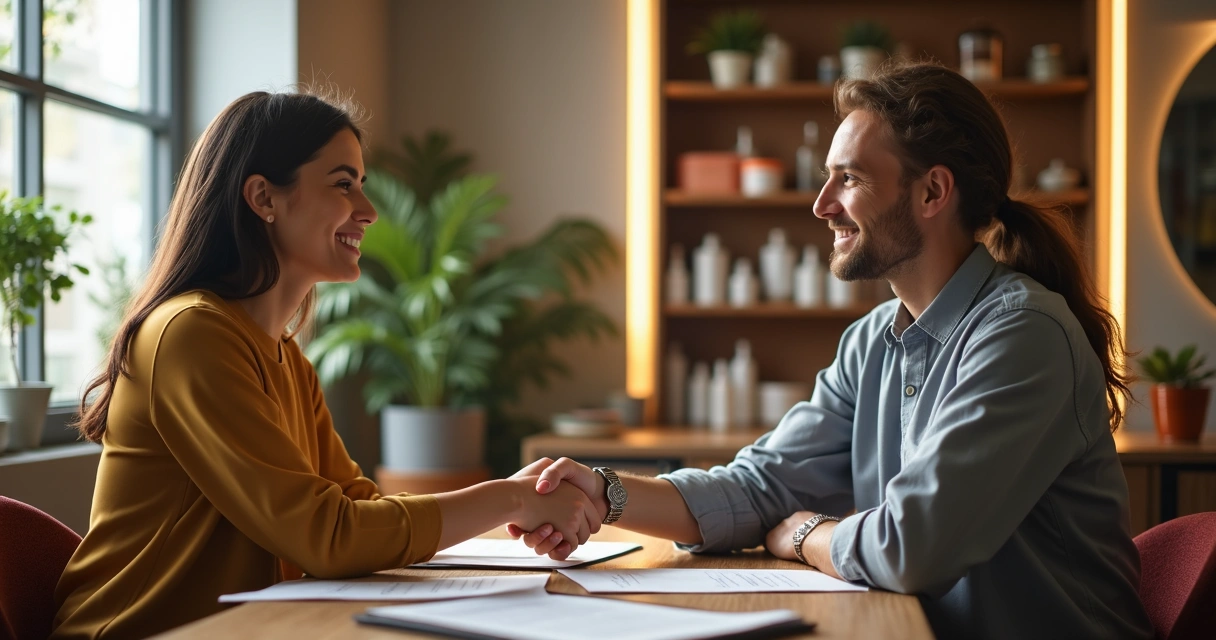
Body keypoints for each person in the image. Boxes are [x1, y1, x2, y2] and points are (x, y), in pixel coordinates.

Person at [511, 63, 1155, 639]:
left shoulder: (1021, 337)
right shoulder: (872, 340)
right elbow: (759, 486)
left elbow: (910, 548)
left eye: (848, 179)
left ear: (932, 192)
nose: (821, 205)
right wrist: (603, 492)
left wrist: (804, 534)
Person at [51, 90, 600, 640]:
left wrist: (517, 496)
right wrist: (509, 498)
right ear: (264, 197)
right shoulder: (190, 334)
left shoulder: (285, 356)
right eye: (343, 184)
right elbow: (328, 536)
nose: (368, 210)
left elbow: (354, 508)